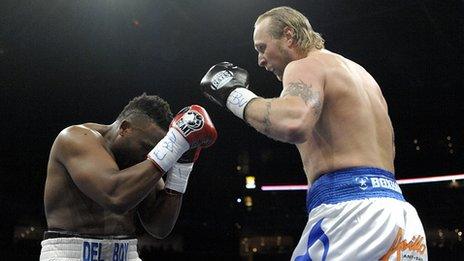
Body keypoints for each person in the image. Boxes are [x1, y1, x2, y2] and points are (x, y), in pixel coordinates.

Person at [200, 6, 427, 261]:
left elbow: (293, 121)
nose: (260, 61)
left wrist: (233, 94)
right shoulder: (362, 76)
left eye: (262, 48)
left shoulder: (304, 65)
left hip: (351, 215)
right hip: (400, 217)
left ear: (288, 35)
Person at [40, 93, 217, 261]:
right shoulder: (75, 138)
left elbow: (159, 227)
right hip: (71, 254)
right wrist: (175, 144)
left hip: (126, 253)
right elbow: (115, 197)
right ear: (125, 128)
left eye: (157, 151)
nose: (149, 156)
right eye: (146, 147)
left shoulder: (140, 162)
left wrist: (182, 166)